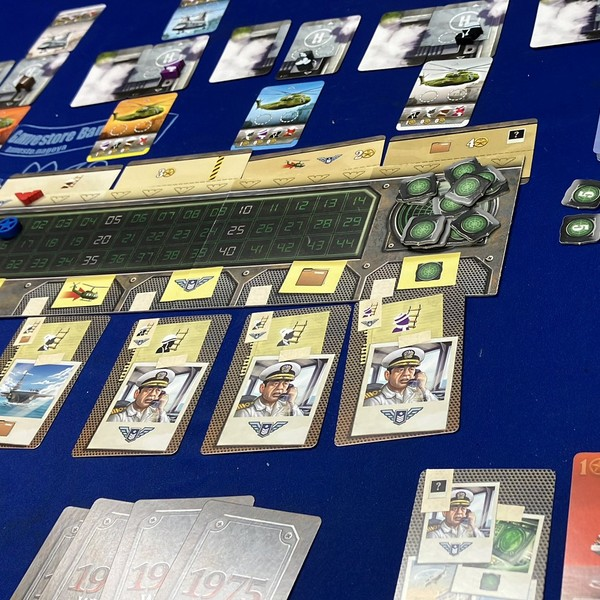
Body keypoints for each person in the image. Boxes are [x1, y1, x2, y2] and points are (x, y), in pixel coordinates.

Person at [364, 347, 438, 406]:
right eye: (400, 370)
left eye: (411, 369)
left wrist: (422, 388)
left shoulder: (417, 393)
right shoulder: (375, 400)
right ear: (387, 375)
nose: (406, 374)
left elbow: (437, 410)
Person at [235, 362, 303, 417]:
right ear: (262, 388)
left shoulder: (288, 407)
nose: (280, 388)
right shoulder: (246, 412)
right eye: (275, 383)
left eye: (285, 384)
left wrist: (291, 402)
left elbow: (302, 425)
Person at [108, 369, 174, 423]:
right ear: (137, 394)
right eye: (149, 390)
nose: (153, 394)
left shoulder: (158, 413)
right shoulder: (118, 416)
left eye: (158, 390)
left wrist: (161, 408)